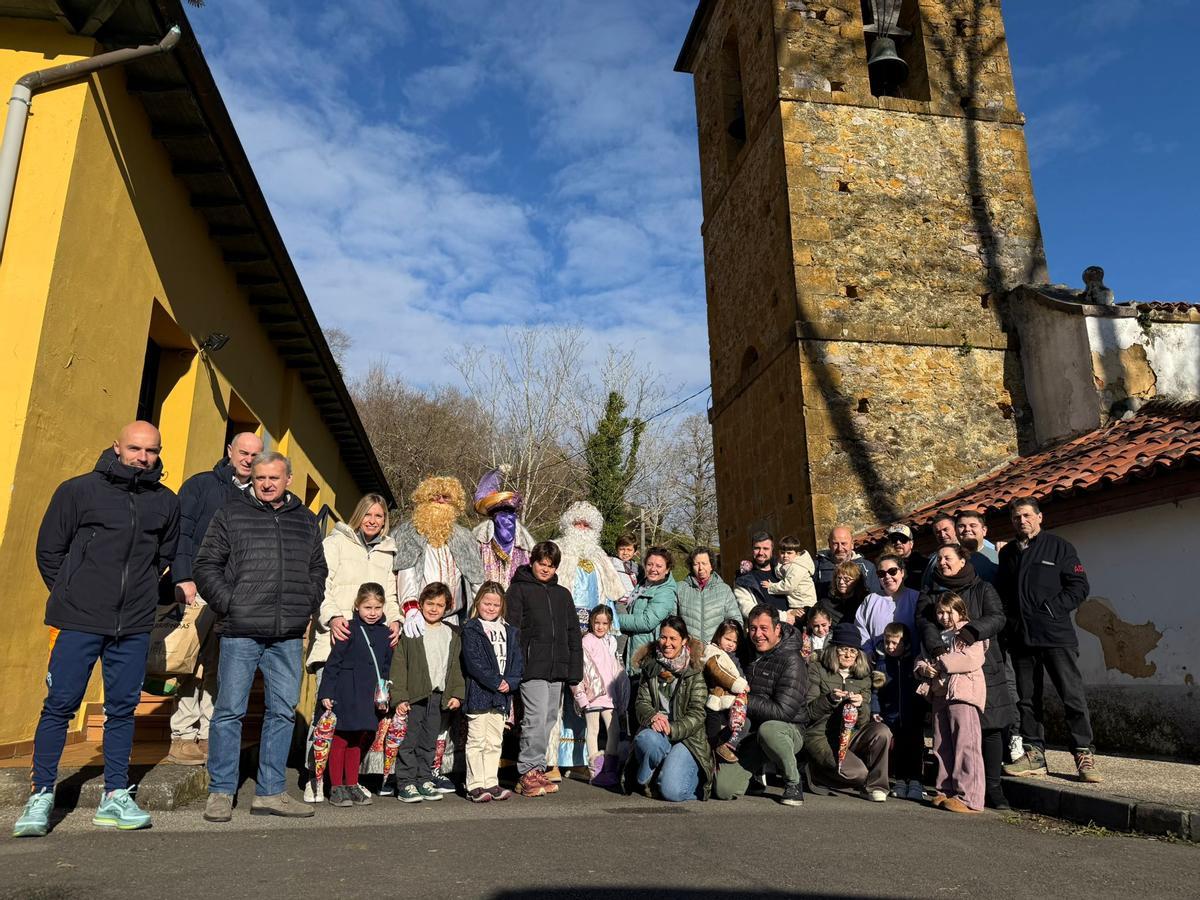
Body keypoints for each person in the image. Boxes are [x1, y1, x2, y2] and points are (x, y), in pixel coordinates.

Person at [15, 421, 180, 838]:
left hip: (134, 624)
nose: (144, 457)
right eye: (136, 449)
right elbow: (50, 550)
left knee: (122, 710)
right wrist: (75, 594)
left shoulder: (165, 502)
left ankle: (115, 797)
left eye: (152, 451)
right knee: (60, 705)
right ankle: (41, 795)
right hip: (79, 620)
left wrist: (139, 598)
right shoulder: (78, 491)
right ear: (117, 447)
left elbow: (165, 555)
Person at [196, 450, 327, 824]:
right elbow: (206, 565)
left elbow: (318, 569)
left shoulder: (304, 520)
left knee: (282, 712)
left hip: (286, 634)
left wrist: (306, 604)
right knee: (229, 712)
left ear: (288, 479)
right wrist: (229, 603)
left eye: (274, 477)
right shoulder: (230, 514)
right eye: (260, 478)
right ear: (252, 479)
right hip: (240, 630)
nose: (267, 484)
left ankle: (270, 792)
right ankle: (221, 791)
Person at [168, 431, 262, 766]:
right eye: (243, 452)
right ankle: (182, 734)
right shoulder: (201, 485)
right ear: (230, 451)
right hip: (199, 589)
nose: (249, 459)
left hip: (236, 596)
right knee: (190, 664)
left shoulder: (258, 496)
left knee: (219, 666)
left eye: (255, 454)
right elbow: (181, 532)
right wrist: (183, 576)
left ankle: (209, 733)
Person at [303, 492, 400, 801]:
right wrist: (332, 617)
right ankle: (314, 778)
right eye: (369, 515)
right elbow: (321, 586)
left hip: (370, 645)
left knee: (360, 722)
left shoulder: (388, 551)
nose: (373, 521)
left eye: (380, 517)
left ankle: (348, 779)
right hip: (337, 638)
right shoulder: (336, 544)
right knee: (328, 717)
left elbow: (392, 597)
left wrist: (395, 620)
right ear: (359, 515)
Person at [390, 476, 483, 791]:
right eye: (435, 498)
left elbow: (475, 580)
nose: (441, 504)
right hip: (417, 619)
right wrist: (411, 607)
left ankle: (434, 768)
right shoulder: (408, 534)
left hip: (453, 623)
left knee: (446, 699)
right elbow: (404, 572)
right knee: (417, 697)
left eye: (447, 499)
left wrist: (476, 617)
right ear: (423, 501)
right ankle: (402, 771)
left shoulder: (463, 538)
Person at [998, 498, 1099, 783]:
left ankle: (1083, 753)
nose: (1022, 521)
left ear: (1040, 517)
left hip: (1056, 636)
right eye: (1017, 517)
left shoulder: (1059, 547)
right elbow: (1003, 594)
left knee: (1072, 695)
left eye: (1027, 515)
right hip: (1021, 639)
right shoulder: (1007, 555)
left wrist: (1051, 610)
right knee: (1027, 700)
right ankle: (1034, 754)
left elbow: (1079, 586)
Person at [916, 543, 1015, 809]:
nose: (942, 563)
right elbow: (924, 622)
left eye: (948, 558)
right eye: (939, 559)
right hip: (944, 680)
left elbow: (997, 617)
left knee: (982, 732)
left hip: (979, 670)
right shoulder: (931, 591)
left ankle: (979, 793)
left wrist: (972, 631)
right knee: (944, 739)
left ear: (962, 560)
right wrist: (936, 649)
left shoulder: (982, 588)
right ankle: (947, 789)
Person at [549, 502, 625, 775]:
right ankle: (554, 759)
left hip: (594, 635)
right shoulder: (557, 550)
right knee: (563, 695)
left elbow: (607, 597)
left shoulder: (599, 557)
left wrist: (610, 632)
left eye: (587, 525)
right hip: (567, 633)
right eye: (577, 524)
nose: (581, 529)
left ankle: (581, 758)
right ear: (568, 525)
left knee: (590, 696)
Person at [505, 542, 583, 797]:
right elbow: (512, 630)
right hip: (532, 667)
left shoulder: (562, 594)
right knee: (535, 719)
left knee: (548, 720)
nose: (545, 569)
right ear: (533, 562)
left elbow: (573, 633)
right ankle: (527, 771)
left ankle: (537, 769)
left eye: (551, 565)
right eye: (542, 563)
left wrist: (574, 671)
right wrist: (514, 666)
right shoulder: (518, 590)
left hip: (556, 669)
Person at [713, 605, 809, 807]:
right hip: (752, 731)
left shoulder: (792, 661)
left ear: (777, 629)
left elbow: (783, 712)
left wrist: (741, 699)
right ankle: (753, 776)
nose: (758, 634)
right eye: (753, 628)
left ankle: (793, 782)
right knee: (723, 790)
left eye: (764, 628)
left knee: (770, 730)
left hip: (787, 729)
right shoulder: (746, 651)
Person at [316, 583, 394, 809]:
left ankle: (352, 783)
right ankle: (336, 786)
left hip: (370, 696)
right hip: (346, 693)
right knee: (340, 739)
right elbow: (333, 664)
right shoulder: (348, 629)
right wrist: (327, 693)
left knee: (358, 740)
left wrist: (385, 694)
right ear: (357, 606)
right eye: (367, 607)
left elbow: (386, 668)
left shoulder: (386, 633)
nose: (372, 612)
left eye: (377, 607)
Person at [390, 582, 465, 803]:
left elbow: (455, 667)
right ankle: (405, 783)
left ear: (447, 608)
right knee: (410, 740)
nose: (434, 609)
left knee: (429, 741)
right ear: (420, 604)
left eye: (439, 605)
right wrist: (400, 697)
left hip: (438, 696)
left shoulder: (452, 634)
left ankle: (423, 779)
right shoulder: (412, 630)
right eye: (429, 603)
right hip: (414, 697)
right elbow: (399, 666)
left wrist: (456, 693)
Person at [915, 593, 988, 813]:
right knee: (941, 744)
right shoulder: (936, 635)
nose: (944, 617)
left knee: (966, 744)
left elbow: (972, 658)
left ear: (960, 611)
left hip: (963, 693)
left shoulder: (970, 631)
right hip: (940, 693)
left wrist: (940, 664)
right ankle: (945, 790)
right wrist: (921, 668)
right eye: (940, 612)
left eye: (949, 612)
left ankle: (970, 797)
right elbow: (921, 657)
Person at [627, 616, 713, 801]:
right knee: (645, 739)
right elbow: (641, 702)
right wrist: (653, 717)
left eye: (673, 639)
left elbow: (698, 713)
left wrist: (672, 728)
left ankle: (689, 781)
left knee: (671, 792)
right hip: (657, 731)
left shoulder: (694, 671)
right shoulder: (650, 666)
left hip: (688, 739)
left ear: (683, 641)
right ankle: (648, 777)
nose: (667, 643)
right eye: (663, 637)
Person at [804, 622, 891, 801]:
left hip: (850, 734)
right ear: (833, 650)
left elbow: (864, 721)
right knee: (858, 774)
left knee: (882, 731)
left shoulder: (863, 676)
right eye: (843, 649)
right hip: (822, 735)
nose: (848, 654)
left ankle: (876, 787)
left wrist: (860, 706)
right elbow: (808, 712)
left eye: (853, 651)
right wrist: (829, 699)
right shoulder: (817, 669)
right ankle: (814, 771)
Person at [460, 581, 524, 803]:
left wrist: (511, 682)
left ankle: (490, 782)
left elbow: (517, 662)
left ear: (502, 606)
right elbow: (474, 663)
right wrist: (496, 681)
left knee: (494, 741)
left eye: (495, 605)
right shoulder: (472, 629)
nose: (490, 608)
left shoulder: (509, 631)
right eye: (487, 603)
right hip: (480, 692)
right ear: (478, 603)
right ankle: (475, 784)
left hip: (501, 695)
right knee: (477, 739)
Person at [573, 606, 630, 787]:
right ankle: (595, 770)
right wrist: (581, 697)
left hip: (610, 695)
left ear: (610, 624)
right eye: (597, 622)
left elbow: (616, 669)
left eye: (604, 623)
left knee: (613, 730)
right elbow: (581, 670)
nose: (600, 627)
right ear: (591, 622)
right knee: (593, 730)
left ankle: (610, 768)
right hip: (592, 695)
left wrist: (621, 695)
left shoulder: (611, 642)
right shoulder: (586, 641)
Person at [871, 623, 924, 801]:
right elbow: (876, 690)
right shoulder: (882, 663)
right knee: (898, 748)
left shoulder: (913, 662)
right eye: (887, 643)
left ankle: (916, 781)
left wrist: (928, 709)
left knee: (915, 747)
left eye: (895, 643)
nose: (890, 647)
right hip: (891, 715)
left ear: (905, 643)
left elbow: (922, 688)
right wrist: (876, 709)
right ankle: (900, 780)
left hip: (914, 713)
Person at [617, 546, 678, 674]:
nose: (653, 569)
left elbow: (646, 621)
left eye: (658, 566)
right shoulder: (643, 584)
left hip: (647, 652)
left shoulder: (665, 591)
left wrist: (614, 620)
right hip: (634, 647)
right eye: (649, 564)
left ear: (667, 570)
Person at [472, 468, 534, 588]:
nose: (506, 518)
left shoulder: (525, 545)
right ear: (493, 515)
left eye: (510, 512)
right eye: (500, 512)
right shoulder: (479, 541)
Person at [702, 619, 750, 764]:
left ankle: (725, 745)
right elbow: (719, 672)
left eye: (734, 642)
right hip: (716, 696)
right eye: (727, 639)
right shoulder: (713, 651)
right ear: (718, 636)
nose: (730, 644)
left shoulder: (736, 658)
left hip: (734, 699)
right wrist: (739, 684)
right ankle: (714, 745)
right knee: (713, 720)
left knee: (741, 723)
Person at [675, 546, 741, 649]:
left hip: (716, 651)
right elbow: (672, 622)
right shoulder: (680, 589)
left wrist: (724, 643)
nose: (701, 568)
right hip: (688, 651)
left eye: (704, 563)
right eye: (696, 564)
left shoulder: (724, 590)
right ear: (691, 566)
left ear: (711, 566)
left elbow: (735, 621)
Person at [855, 553, 918, 655]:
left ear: (902, 572)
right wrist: (867, 652)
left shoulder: (916, 598)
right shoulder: (870, 600)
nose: (887, 576)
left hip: (913, 660)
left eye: (892, 571)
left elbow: (925, 629)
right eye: (881, 573)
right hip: (879, 662)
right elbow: (860, 629)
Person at [813, 525, 880, 601]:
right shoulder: (816, 567)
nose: (840, 548)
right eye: (835, 544)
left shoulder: (867, 568)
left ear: (852, 544)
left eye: (843, 543)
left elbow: (876, 599)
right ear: (829, 544)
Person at [765, 534, 817, 624]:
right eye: (782, 552)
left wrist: (771, 586)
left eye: (789, 553)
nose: (785, 556)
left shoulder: (797, 567)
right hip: (798, 603)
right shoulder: (787, 564)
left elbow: (788, 586)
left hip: (804, 604)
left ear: (796, 554)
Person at [733, 531, 778, 614]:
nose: (761, 553)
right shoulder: (743, 579)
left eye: (765, 548)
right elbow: (747, 609)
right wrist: (784, 616)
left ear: (772, 549)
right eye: (757, 548)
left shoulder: (784, 572)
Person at [818, 561, 868, 626]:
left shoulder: (864, 603)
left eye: (846, 579)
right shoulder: (825, 604)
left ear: (857, 581)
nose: (841, 582)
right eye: (838, 578)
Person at [882, 524, 928, 592]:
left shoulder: (924, 563)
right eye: (894, 540)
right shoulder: (883, 567)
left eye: (903, 539)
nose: (898, 542)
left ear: (911, 544)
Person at [956, 511, 998, 584]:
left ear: (984, 530)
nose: (967, 529)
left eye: (973, 525)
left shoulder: (999, 554)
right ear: (955, 531)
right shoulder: (949, 560)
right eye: (961, 526)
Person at [920, 513, 959, 590]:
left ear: (955, 529)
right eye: (938, 532)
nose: (942, 535)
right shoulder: (933, 558)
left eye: (945, 529)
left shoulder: (967, 552)